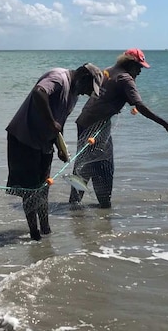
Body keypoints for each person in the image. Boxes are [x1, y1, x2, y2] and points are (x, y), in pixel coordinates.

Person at [68, 48, 168, 209]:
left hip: (85, 122)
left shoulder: (108, 71)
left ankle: (75, 206)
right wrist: (166, 125)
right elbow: (139, 106)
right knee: (103, 167)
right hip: (97, 126)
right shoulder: (125, 78)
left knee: (85, 164)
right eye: (139, 67)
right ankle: (103, 210)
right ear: (130, 64)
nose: (140, 71)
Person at [6, 62, 103, 240]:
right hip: (24, 138)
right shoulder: (59, 78)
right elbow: (39, 92)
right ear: (83, 76)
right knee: (30, 189)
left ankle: (45, 230)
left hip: (44, 142)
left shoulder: (73, 94)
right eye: (88, 88)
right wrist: (51, 123)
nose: (85, 93)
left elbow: (60, 122)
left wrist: (60, 147)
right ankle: (34, 234)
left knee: (43, 189)